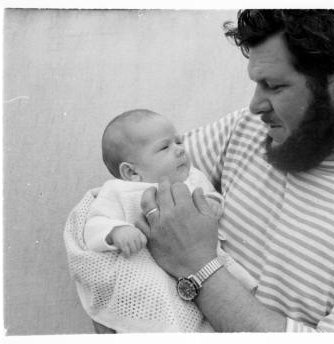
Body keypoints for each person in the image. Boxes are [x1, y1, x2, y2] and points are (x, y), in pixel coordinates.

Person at [136, 9, 334, 333]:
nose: (255, 105)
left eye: (274, 86)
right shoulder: (246, 131)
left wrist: (197, 264)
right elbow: (131, 188)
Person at [64, 109, 256, 333]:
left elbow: (211, 196)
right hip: (145, 267)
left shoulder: (192, 177)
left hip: (196, 266)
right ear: (132, 173)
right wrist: (117, 231)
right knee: (155, 299)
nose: (180, 149)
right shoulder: (120, 191)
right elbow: (95, 223)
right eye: (166, 147)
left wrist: (213, 203)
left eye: (179, 142)